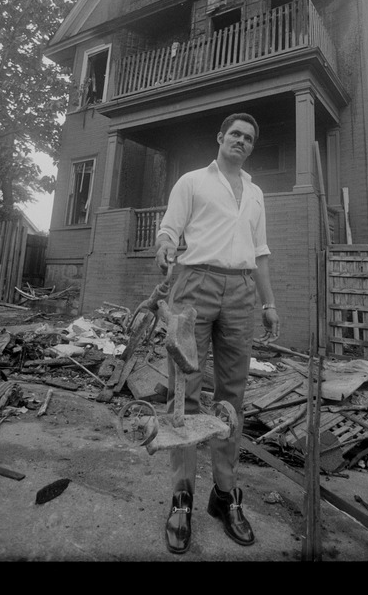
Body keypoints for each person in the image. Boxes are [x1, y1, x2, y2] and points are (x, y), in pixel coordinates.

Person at [154, 112, 280, 554]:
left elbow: (261, 254)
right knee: (184, 393)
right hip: (195, 284)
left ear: (251, 146)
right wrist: (167, 245)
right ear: (220, 138)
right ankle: (182, 496)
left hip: (243, 290)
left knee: (232, 396)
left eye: (249, 137)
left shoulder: (257, 193)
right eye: (235, 135)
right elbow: (170, 229)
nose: (241, 141)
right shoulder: (191, 181)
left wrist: (268, 304)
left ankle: (224, 495)